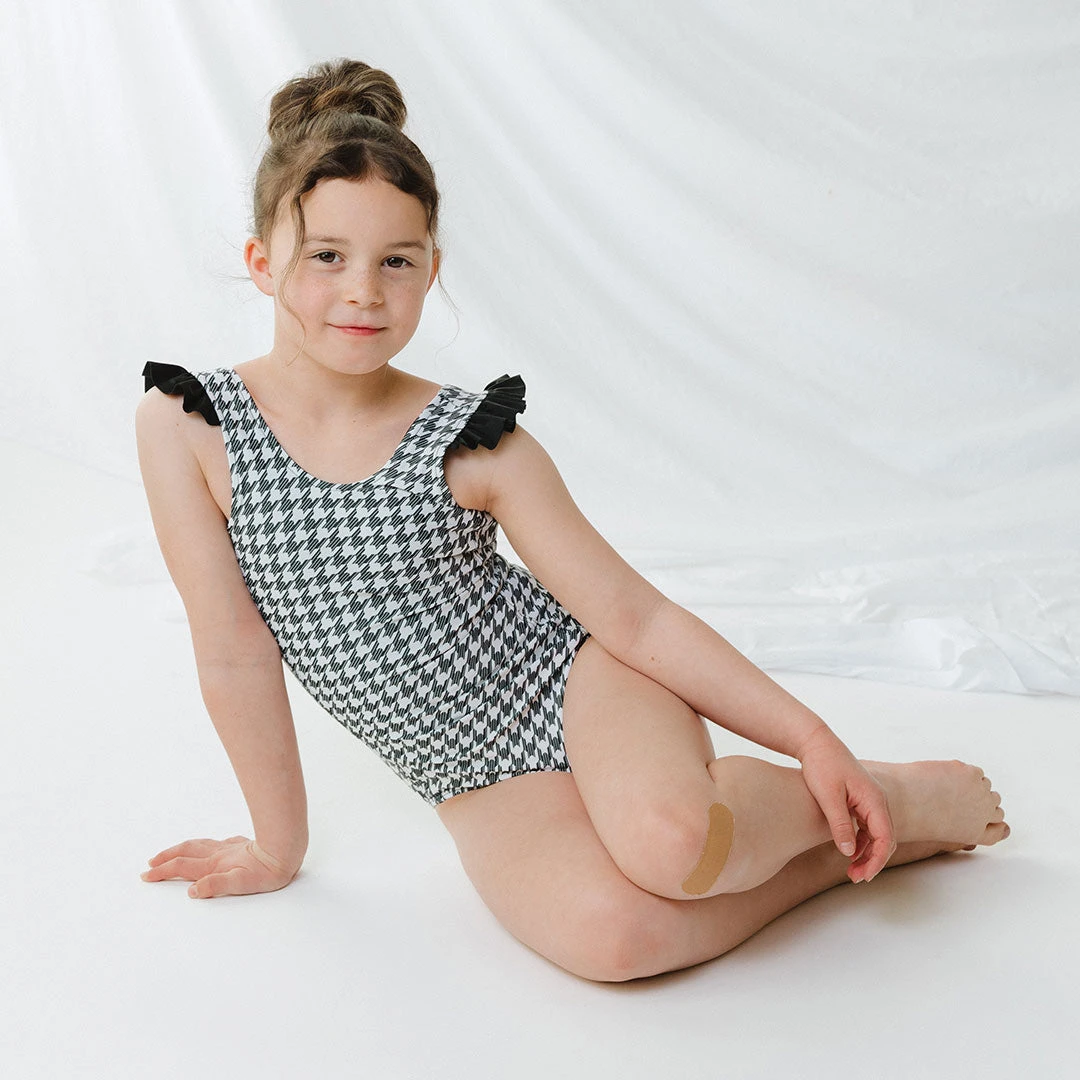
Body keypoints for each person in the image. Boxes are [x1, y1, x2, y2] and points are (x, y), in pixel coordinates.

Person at [135, 57, 1009, 983]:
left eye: (397, 260)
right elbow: (233, 651)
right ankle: (854, 846)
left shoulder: (470, 441)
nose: (364, 290)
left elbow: (637, 618)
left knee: (672, 844)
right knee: (614, 940)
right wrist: (278, 847)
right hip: (469, 770)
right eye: (327, 257)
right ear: (262, 262)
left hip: (578, 683)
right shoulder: (190, 426)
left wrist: (811, 738)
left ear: (432, 269)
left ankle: (878, 792)